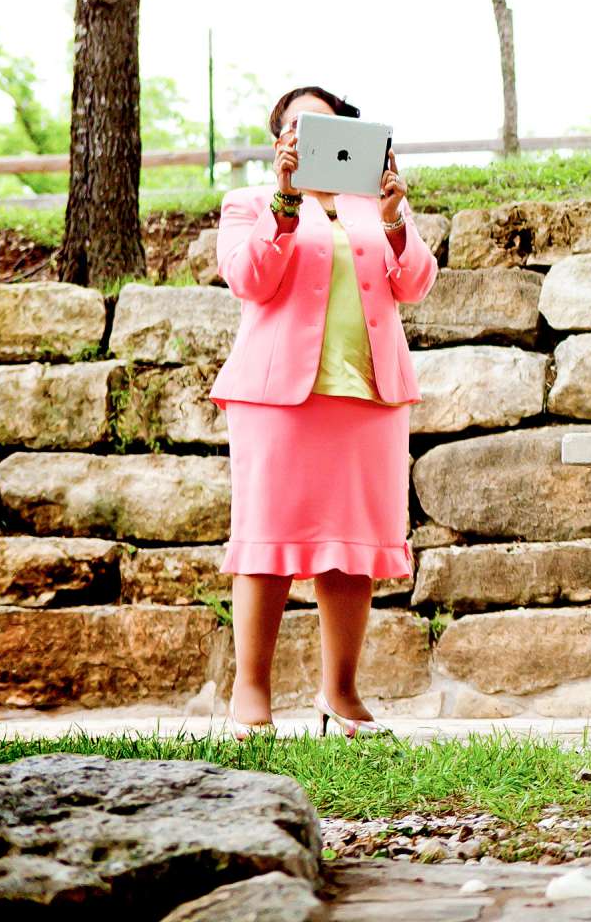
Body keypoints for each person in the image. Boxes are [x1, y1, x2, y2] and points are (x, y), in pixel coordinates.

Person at [212, 85, 435, 738]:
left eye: (327, 122)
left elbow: (414, 284)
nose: (313, 132)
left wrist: (396, 219)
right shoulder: (249, 203)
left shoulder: (376, 203)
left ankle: (340, 693)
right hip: (277, 396)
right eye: (297, 124)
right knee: (266, 539)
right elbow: (250, 279)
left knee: (353, 547)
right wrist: (284, 200)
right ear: (279, 137)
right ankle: (250, 694)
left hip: (369, 396)